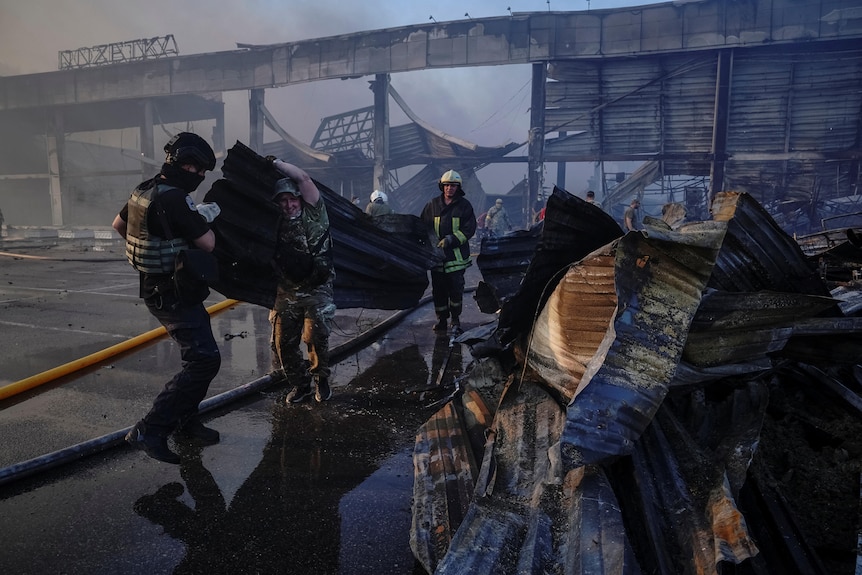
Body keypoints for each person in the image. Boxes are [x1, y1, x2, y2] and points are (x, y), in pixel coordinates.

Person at [111, 132, 221, 464]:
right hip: (173, 293)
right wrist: (207, 215)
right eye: (196, 169)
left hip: (157, 286)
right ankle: (150, 429)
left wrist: (155, 242)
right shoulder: (175, 200)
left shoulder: (144, 188)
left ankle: (186, 423)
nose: (199, 177)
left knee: (202, 355)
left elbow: (117, 224)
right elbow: (209, 244)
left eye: (203, 172)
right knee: (203, 361)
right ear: (182, 164)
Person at [268, 158, 336, 405]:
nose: (288, 205)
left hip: (317, 286)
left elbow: (304, 179)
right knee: (282, 342)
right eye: (283, 201)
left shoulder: (315, 213)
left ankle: (321, 379)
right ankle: (301, 385)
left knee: (315, 336)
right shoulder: (276, 223)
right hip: (287, 289)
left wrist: (276, 163)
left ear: (300, 199)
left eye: (292, 199)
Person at [420, 169, 476, 334]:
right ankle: (442, 320)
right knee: (438, 291)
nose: (449, 188)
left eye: (453, 185)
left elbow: (469, 229)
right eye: (446, 185)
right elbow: (423, 226)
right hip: (437, 258)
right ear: (441, 186)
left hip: (456, 258)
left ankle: (456, 320)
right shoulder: (432, 205)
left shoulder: (464, 206)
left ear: (458, 188)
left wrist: (451, 239)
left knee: (456, 290)